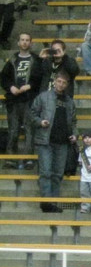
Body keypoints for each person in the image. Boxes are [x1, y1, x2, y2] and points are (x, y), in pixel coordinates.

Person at [29, 71, 76, 213]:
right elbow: (31, 114)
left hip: (63, 142)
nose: (61, 84)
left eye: (64, 82)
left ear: (67, 85)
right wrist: (39, 121)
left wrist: (75, 134)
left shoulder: (69, 102)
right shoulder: (43, 97)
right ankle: (46, 202)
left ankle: (53, 203)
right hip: (45, 141)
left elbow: (73, 122)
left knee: (57, 174)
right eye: (59, 81)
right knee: (45, 172)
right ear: (54, 81)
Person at [2, 32, 43, 167]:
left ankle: (28, 159)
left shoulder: (37, 60)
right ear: (18, 43)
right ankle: (11, 159)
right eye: (22, 40)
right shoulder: (12, 60)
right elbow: (3, 78)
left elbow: (40, 77)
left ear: (31, 43)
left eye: (27, 40)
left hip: (29, 100)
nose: (24, 42)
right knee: (13, 130)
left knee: (29, 130)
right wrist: (11, 87)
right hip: (13, 101)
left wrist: (30, 85)